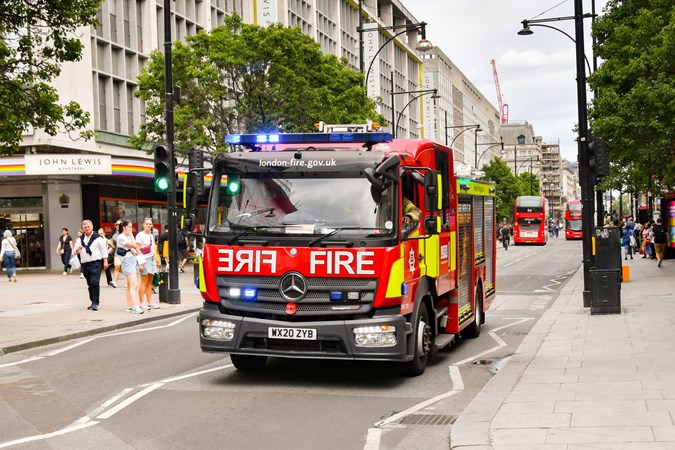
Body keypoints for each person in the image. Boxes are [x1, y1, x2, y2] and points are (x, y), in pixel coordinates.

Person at [73, 220, 108, 310]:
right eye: (85, 227)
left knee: (94, 282)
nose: (87, 228)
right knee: (90, 284)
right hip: (85, 264)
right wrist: (77, 250)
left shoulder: (98, 238)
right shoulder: (80, 240)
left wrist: (105, 261)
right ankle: (92, 301)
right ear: (83, 229)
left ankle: (96, 303)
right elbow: (74, 251)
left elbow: (104, 250)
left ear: (92, 227)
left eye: (88, 227)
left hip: (96, 263)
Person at [116, 221, 144, 314]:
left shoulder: (126, 237)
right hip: (127, 261)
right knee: (134, 285)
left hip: (132, 260)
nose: (131, 229)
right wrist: (131, 235)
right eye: (129, 227)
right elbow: (134, 245)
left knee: (129, 286)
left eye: (132, 227)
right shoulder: (121, 237)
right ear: (124, 227)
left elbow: (134, 249)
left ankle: (130, 306)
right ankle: (135, 306)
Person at [136, 218, 160, 309]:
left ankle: (150, 302)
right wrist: (140, 263)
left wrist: (156, 260)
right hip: (144, 260)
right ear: (143, 225)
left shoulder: (151, 235)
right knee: (144, 282)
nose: (149, 225)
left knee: (150, 282)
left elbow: (153, 249)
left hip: (151, 259)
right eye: (147, 224)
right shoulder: (140, 235)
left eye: (150, 224)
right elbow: (137, 249)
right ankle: (142, 303)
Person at [111, 220, 123, 287]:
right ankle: (114, 281)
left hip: (126, 254)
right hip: (117, 254)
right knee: (117, 267)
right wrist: (112, 246)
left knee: (126, 269)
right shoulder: (114, 236)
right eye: (116, 225)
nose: (118, 226)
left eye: (119, 225)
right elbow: (114, 246)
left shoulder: (126, 233)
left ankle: (128, 282)